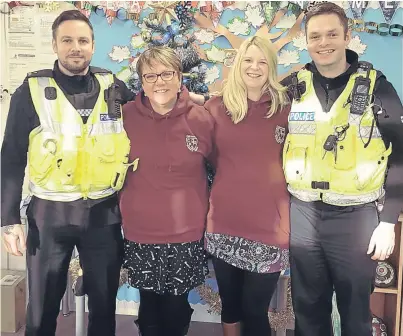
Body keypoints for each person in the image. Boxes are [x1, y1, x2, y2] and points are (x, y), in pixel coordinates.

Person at [281, 3, 403, 336]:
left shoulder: (379, 88)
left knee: (354, 313)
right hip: (303, 213)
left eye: (332, 34)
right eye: (315, 36)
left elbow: (402, 155)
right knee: (307, 309)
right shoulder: (293, 86)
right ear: (306, 42)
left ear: (348, 36)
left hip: (356, 216)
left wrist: (389, 221)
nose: (324, 42)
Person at [120, 46, 214, 336]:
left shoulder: (202, 119)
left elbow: (222, 169)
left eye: (166, 74)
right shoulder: (123, 119)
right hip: (140, 231)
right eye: (150, 75)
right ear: (142, 82)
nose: (159, 81)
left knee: (176, 306)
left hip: (186, 233)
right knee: (148, 306)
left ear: (179, 77)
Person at [204, 36, 291, 336]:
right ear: (238, 64)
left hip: (270, 227)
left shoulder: (287, 109)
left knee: (255, 311)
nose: (254, 67)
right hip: (224, 223)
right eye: (248, 60)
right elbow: (205, 158)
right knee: (231, 306)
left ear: (272, 67)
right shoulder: (215, 107)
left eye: (262, 61)